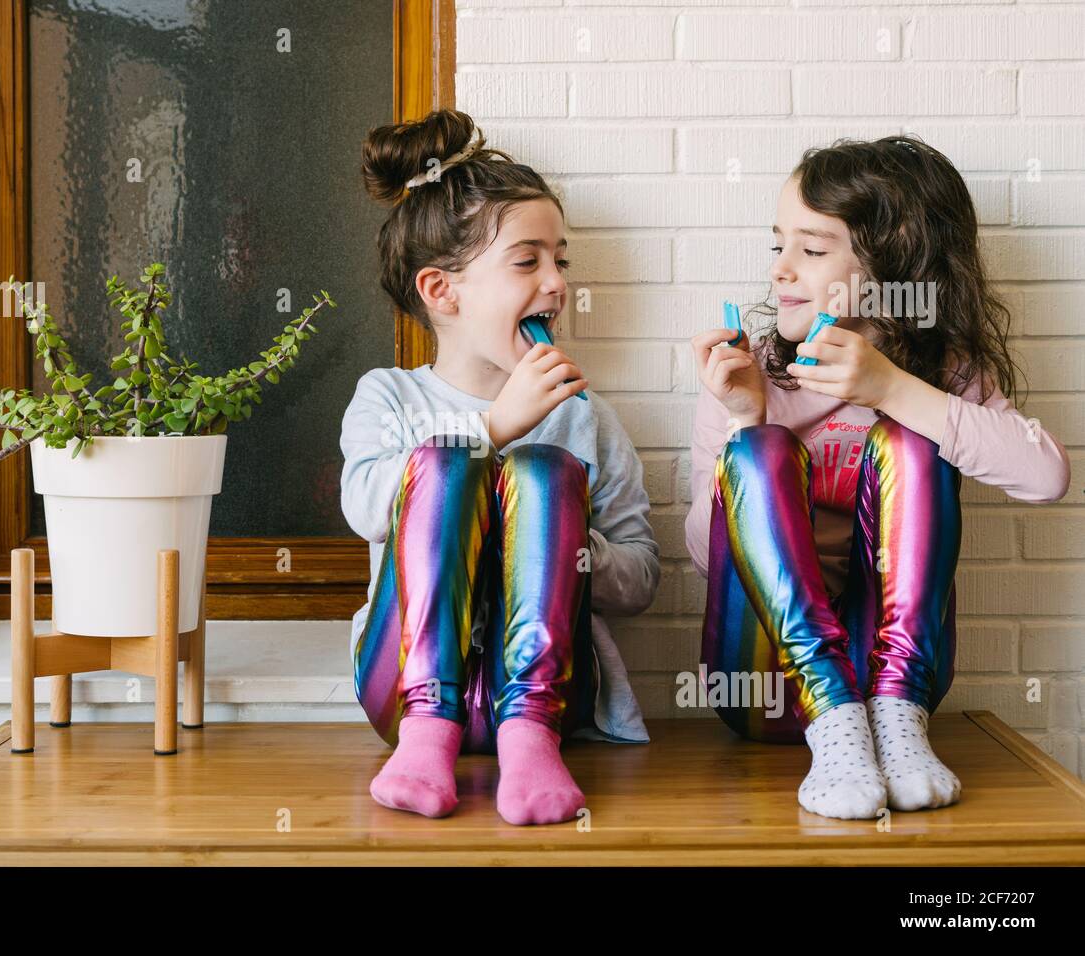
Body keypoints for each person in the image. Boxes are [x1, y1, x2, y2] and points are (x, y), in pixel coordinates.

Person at [686, 135, 1071, 820]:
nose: (781, 270)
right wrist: (745, 418)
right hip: (769, 683)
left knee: (912, 440)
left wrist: (892, 389)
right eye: (780, 245)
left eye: (811, 249)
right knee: (757, 452)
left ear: (891, 257)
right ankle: (832, 712)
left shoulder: (938, 372)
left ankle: (891, 710)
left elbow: (1045, 478)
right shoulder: (757, 370)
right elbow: (703, 558)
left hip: (898, 692)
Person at [341, 108, 661, 825]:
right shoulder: (387, 396)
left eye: (561, 261)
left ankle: (527, 734)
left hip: (554, 701)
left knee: (544, 470)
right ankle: (429, 730)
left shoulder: (586, 416)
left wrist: (567, 538)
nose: (556, 284)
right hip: (402, 693)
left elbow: (639, 581)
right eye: (528, 261)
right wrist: (491, 429)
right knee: (447, 465)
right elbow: (366, 507)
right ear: (441, 290)